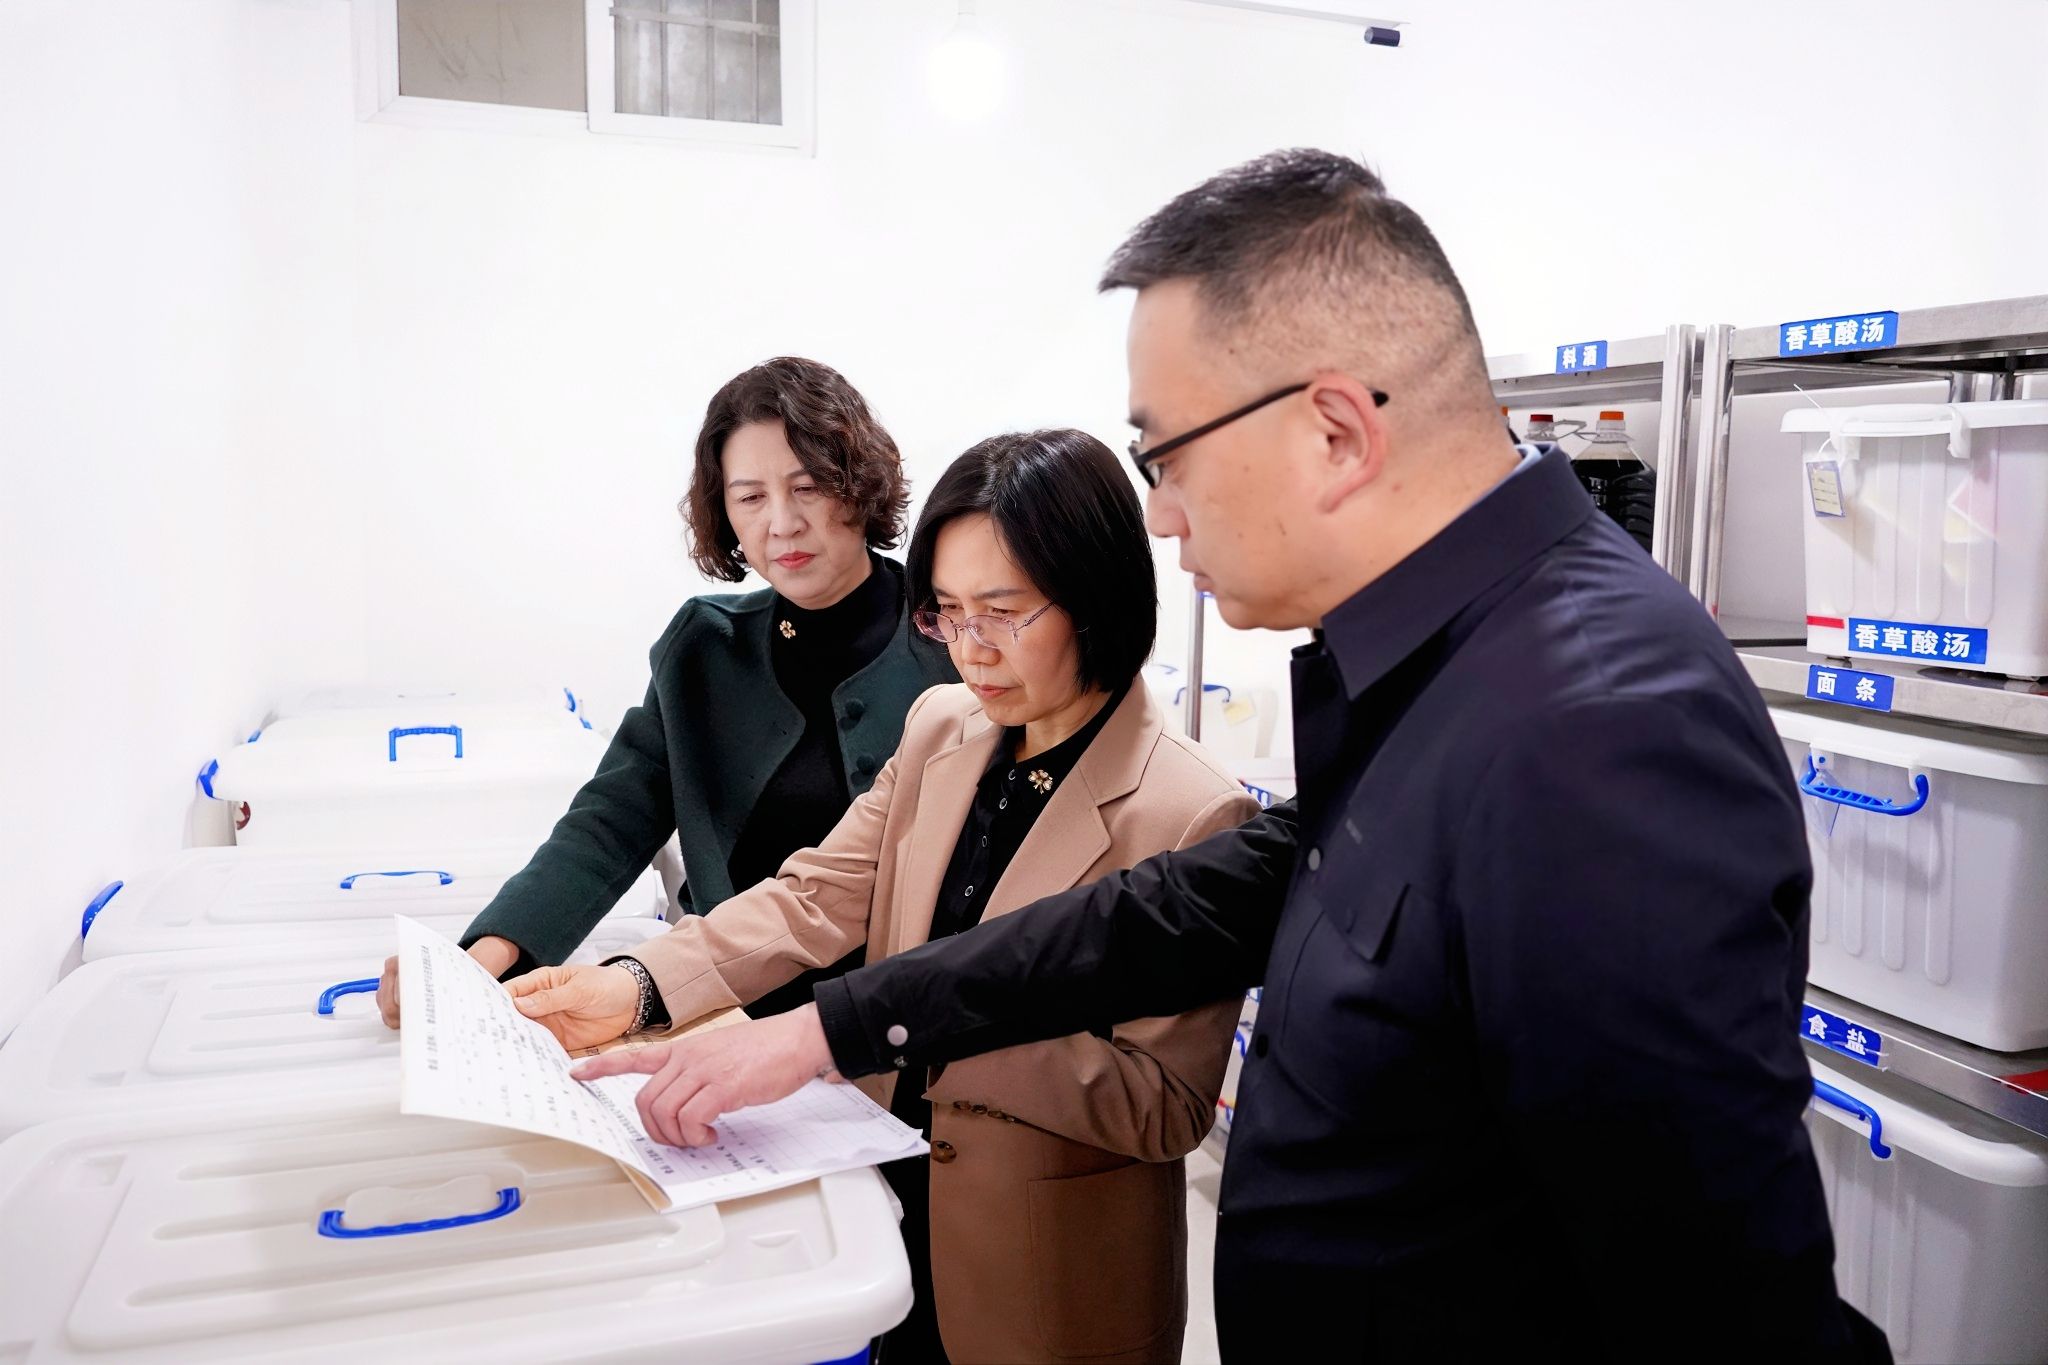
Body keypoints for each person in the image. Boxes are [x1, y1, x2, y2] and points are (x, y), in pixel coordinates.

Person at [572, 151, 1891, 1363]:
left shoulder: (1592, 729)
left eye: (1167, 454)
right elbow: (1178, 913)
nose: (1157, 513)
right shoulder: (1444, 667)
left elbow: (1722, 1305)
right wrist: (823, 1028)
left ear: (1333, 431)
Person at [513, 429, 1257, 1364]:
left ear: (1097, 598)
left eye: (1003, 613)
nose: (972, 651)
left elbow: (1161, 1101)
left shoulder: (1191, 810)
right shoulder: (943, 725)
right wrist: (635, 985)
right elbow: (816, 896)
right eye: (948, 613)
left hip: (1045, 1278)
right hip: (885, 1207)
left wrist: (893, 1030)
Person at [376, 357, 957, 1025]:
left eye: (808, 487)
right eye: (750, 497)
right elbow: (613, 818)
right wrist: (483, 954)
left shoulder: (957, 640)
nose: (782, 522)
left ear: (860, 486)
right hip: (722, 1013)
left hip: (904, 1022)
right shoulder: (703, 648)